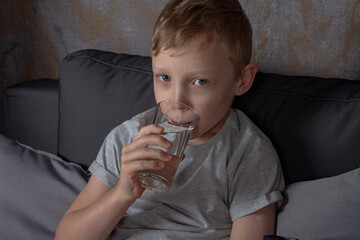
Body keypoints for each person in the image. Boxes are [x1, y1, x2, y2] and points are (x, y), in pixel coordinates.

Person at [55, 0, 284, 239]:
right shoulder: (128, 139)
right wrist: (123, 193)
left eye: (200, 82)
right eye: (164, 77)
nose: (177, 102)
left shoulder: (248, 153)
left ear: (242, 80)